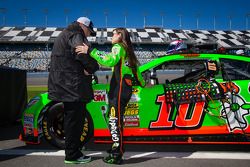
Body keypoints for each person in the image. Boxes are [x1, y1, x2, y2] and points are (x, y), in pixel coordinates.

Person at [75, 28, 145, 164]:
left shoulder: (118, 47)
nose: (111, 36)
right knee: (115, 119)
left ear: (120, 36)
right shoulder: (128, 51)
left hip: (119, 88)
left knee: (114, 120)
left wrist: (90, 51)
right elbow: (137, 72)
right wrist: (143, 84)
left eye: (114, 34)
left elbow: (110, 60)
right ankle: (117, 146)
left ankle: (117, 154)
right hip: (124, 88)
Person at [48, 17, 99, 164]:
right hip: (72, 87)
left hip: (67, 85)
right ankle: (72, 155)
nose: (89, 35)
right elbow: (81, 54)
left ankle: (74, 149)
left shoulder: (67, 32)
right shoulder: (76, 34)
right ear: (83, 26)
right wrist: (92, 68)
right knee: (74, 121)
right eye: (89, 31)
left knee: (73, 120)